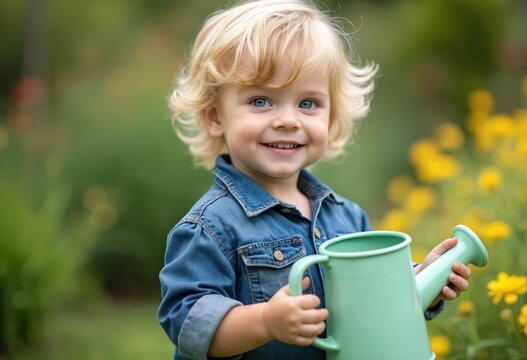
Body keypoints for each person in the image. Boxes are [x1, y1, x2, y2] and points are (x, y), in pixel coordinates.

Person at [158, 1, 472, 359]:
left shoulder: (347, 218)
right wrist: (264, 322)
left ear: (331, 115)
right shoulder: (211, 227)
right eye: (261, 101)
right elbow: (187, 322)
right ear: (215, 117)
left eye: (308, 104)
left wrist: (421, 278)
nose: (288, 120)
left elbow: (372, 307)